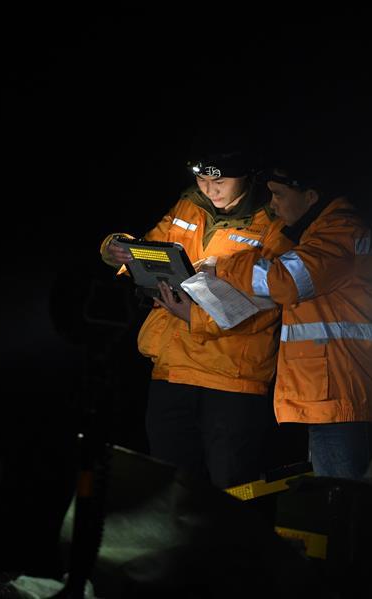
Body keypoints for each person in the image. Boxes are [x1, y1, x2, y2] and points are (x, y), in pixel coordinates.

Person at [201, 156, 372, 479]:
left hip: (342, 388)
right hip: (332, 388)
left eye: (279, 194)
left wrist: (223, 266)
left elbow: (284, 282)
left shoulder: (340, 231)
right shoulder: (320, 233)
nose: (273, 203)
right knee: (334, 497)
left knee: (341, 499)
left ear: (310, 196)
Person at [99, 144, 283, 489]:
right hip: (171, 371)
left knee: (230, 493)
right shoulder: (189, 204)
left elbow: (268, 302)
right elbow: (150, 248)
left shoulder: (274, 222)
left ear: (247, 176)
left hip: (231, 379)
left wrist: (193, 316)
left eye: (219, 182)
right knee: (171, 490)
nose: (209, 189)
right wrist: (119, 250)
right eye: (201, 180)